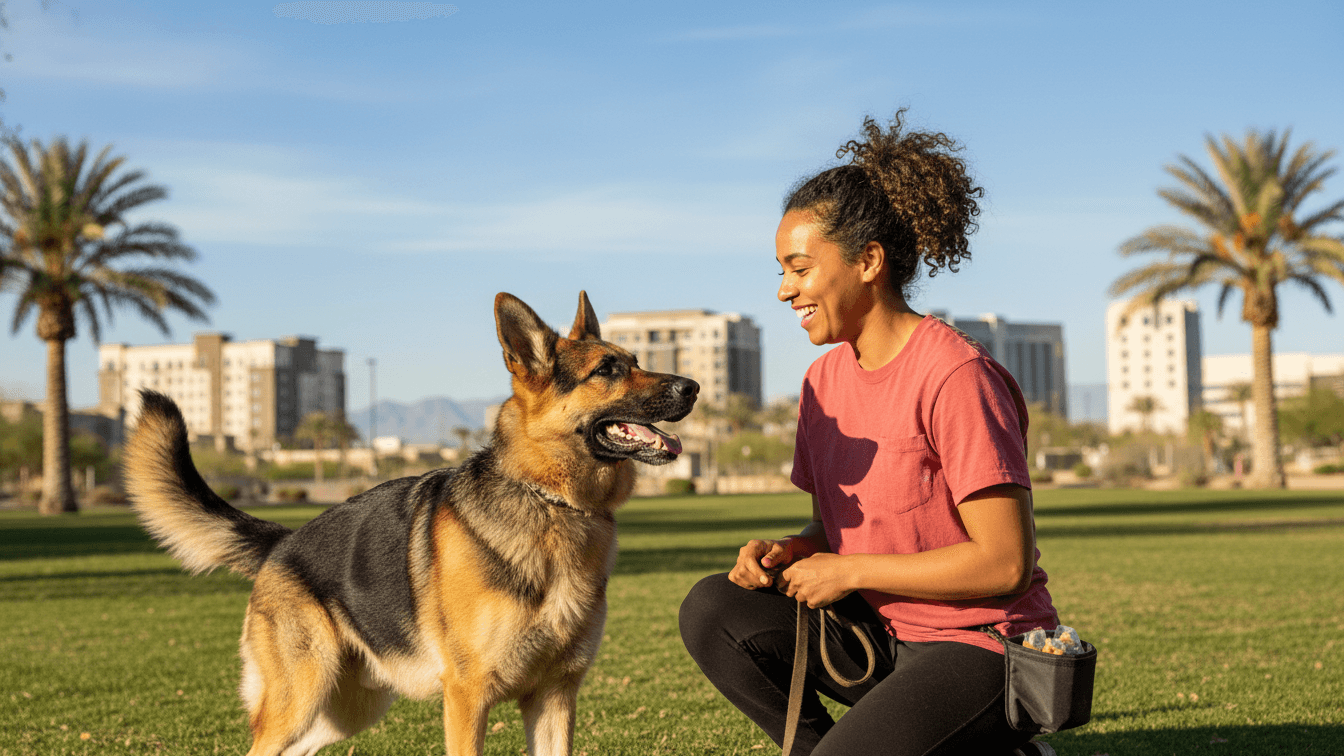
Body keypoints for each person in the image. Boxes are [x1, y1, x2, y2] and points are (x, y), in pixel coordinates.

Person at [678, 111, 1059, 756]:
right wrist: (796, 553)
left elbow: (1005, 563)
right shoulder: (822, 382)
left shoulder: (958, 376)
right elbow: (856, 525)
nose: (783, 290)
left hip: (984, 649)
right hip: (880, 634)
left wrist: (848, 571)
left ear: (868, 262)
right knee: (714, 609)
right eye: (781, 271)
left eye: (799, 269)